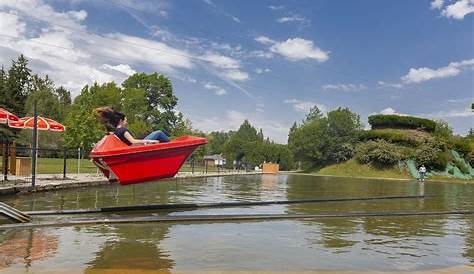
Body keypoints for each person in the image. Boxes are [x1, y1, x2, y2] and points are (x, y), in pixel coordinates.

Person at [95, 107, 169, 146]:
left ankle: (165, 146)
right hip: (136, 148)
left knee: (155, 135)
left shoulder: (116, 132)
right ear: (121, 121)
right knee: (158, 133)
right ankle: (172, 146)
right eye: (126, 120)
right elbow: (133, 142)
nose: (127, 122)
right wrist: (150, 141)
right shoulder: (123, 130)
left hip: (134, 147)